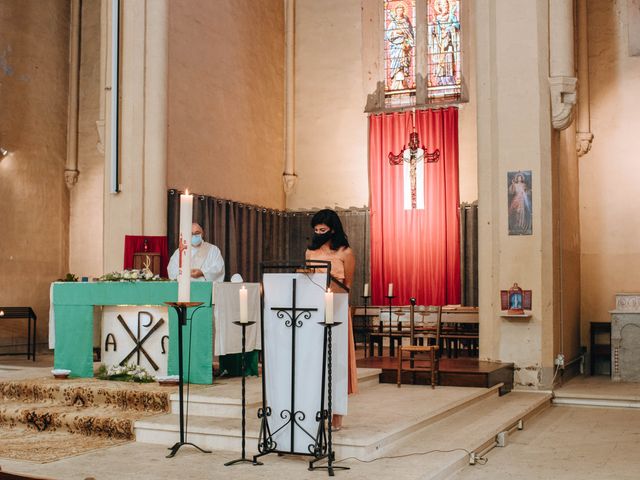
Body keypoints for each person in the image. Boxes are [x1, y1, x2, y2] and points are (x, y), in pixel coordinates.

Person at [305, 209, 358, 431]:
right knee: (314, 361)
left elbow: (348, 285)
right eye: (316, 230)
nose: (319, 233)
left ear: (333, 229)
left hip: (336, 307)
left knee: (336, 361)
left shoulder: (345, 252)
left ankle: (337, 414)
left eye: (323, 230)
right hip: (313, 308)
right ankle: (314, 409)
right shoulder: (310, 251)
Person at [386, 3, 415, 90]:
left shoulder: (406, 23)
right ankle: (397, 85)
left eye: (402, 10)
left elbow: (411, 34)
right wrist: (397, 32)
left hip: (404, 47)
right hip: (396, 48)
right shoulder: (393, 23)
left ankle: (404, 83)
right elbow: (388, 35)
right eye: (398, 10)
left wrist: (408, 42)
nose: (400, 12)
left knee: (403, 65)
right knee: (397, 65)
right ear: (396, 11)